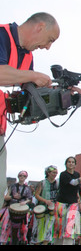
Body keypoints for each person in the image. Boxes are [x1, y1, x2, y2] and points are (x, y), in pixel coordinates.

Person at [0, 13, 59, 209]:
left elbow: (29, 94)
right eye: (50, 40)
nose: (47, 47)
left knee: (1, 189)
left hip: (0, 130)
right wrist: (33, 76)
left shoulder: (28, 58)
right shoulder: (2, 34)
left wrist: (62, 93)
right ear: (40, 27)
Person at [54, 156, 81, 245]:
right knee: (59, 227)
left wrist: (78, 198)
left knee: (70, 226)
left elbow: (76, 189)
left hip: (73, 203)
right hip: (62, 203)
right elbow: (74, 182)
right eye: (69, 162)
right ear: (66, 164)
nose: (71, 163)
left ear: (75, 164)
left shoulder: (77, 174)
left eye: (72, 162)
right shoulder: (63, 174)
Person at [1, 170, 33, 244]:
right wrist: (13, 196)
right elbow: (6, 197)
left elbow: (30, 199)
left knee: (22, 229)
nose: (22, 177)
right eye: (20, 175)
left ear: (26, 177)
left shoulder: (27, 188)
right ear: (18, 176)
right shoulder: (12, 186)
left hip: (22, 211)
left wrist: (25, 202)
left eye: (24, 176)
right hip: (11, 209)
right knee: (6, 228)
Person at [31, 165, 59, 245]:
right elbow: (36, 195)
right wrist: (46, 201)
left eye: (56, 173)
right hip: (41, 209)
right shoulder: (42, 182)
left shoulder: (57, 183)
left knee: (48, 231)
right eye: (53, 172)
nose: (55, 174)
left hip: (51, 210)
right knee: (38, 231)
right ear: (48, 173)